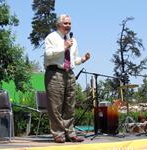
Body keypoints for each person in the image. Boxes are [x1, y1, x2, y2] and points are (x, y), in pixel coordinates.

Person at [44, 14, 90, 143]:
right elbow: (48, 55)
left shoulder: (73, 40)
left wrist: (82, 59)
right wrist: (63, 47)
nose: (68, 26)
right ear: (58, 24)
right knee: (55, 106)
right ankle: (59, 134)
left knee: (70, 105)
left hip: (69, 73)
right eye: (65, 23)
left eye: (69, 23)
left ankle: (70, 133)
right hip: (54, 72)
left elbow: (73, 59)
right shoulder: (51, 37)